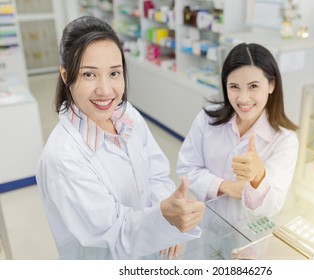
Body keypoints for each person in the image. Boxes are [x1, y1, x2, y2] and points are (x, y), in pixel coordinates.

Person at [36, 16, 205, 260]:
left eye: (114, 73)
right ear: (65, 75)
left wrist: (170, 220)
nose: (106, 90)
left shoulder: (127, 114)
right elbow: (114, 234)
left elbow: (155, 175)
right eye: (89, 75)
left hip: (148, 252)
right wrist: (163, 218)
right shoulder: (63, 158)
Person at [176, 43, 299, 218]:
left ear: (271, 85)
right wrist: (224, 186)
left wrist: (258, 176)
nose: (243, 98)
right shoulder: (207, 119)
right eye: (234, 87)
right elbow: (186, 169)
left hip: (249, 234)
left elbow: (273, 206)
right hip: (206, 221)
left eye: (253, 86)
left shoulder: (285, 140)